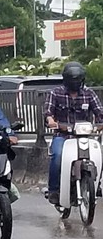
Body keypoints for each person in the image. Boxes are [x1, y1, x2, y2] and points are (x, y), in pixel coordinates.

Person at [44, 61, 103, 205]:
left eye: (78, 80)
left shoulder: (89, 94)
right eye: (73, 80)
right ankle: (54, 190)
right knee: (57, 156)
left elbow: (100, 113)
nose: (76, 83)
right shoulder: (55, 93)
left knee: (99, 155)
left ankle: (97, 185)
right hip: (62, 135)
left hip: (85, 136)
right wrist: (51, 120)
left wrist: (99, 125)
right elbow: (48, 112)